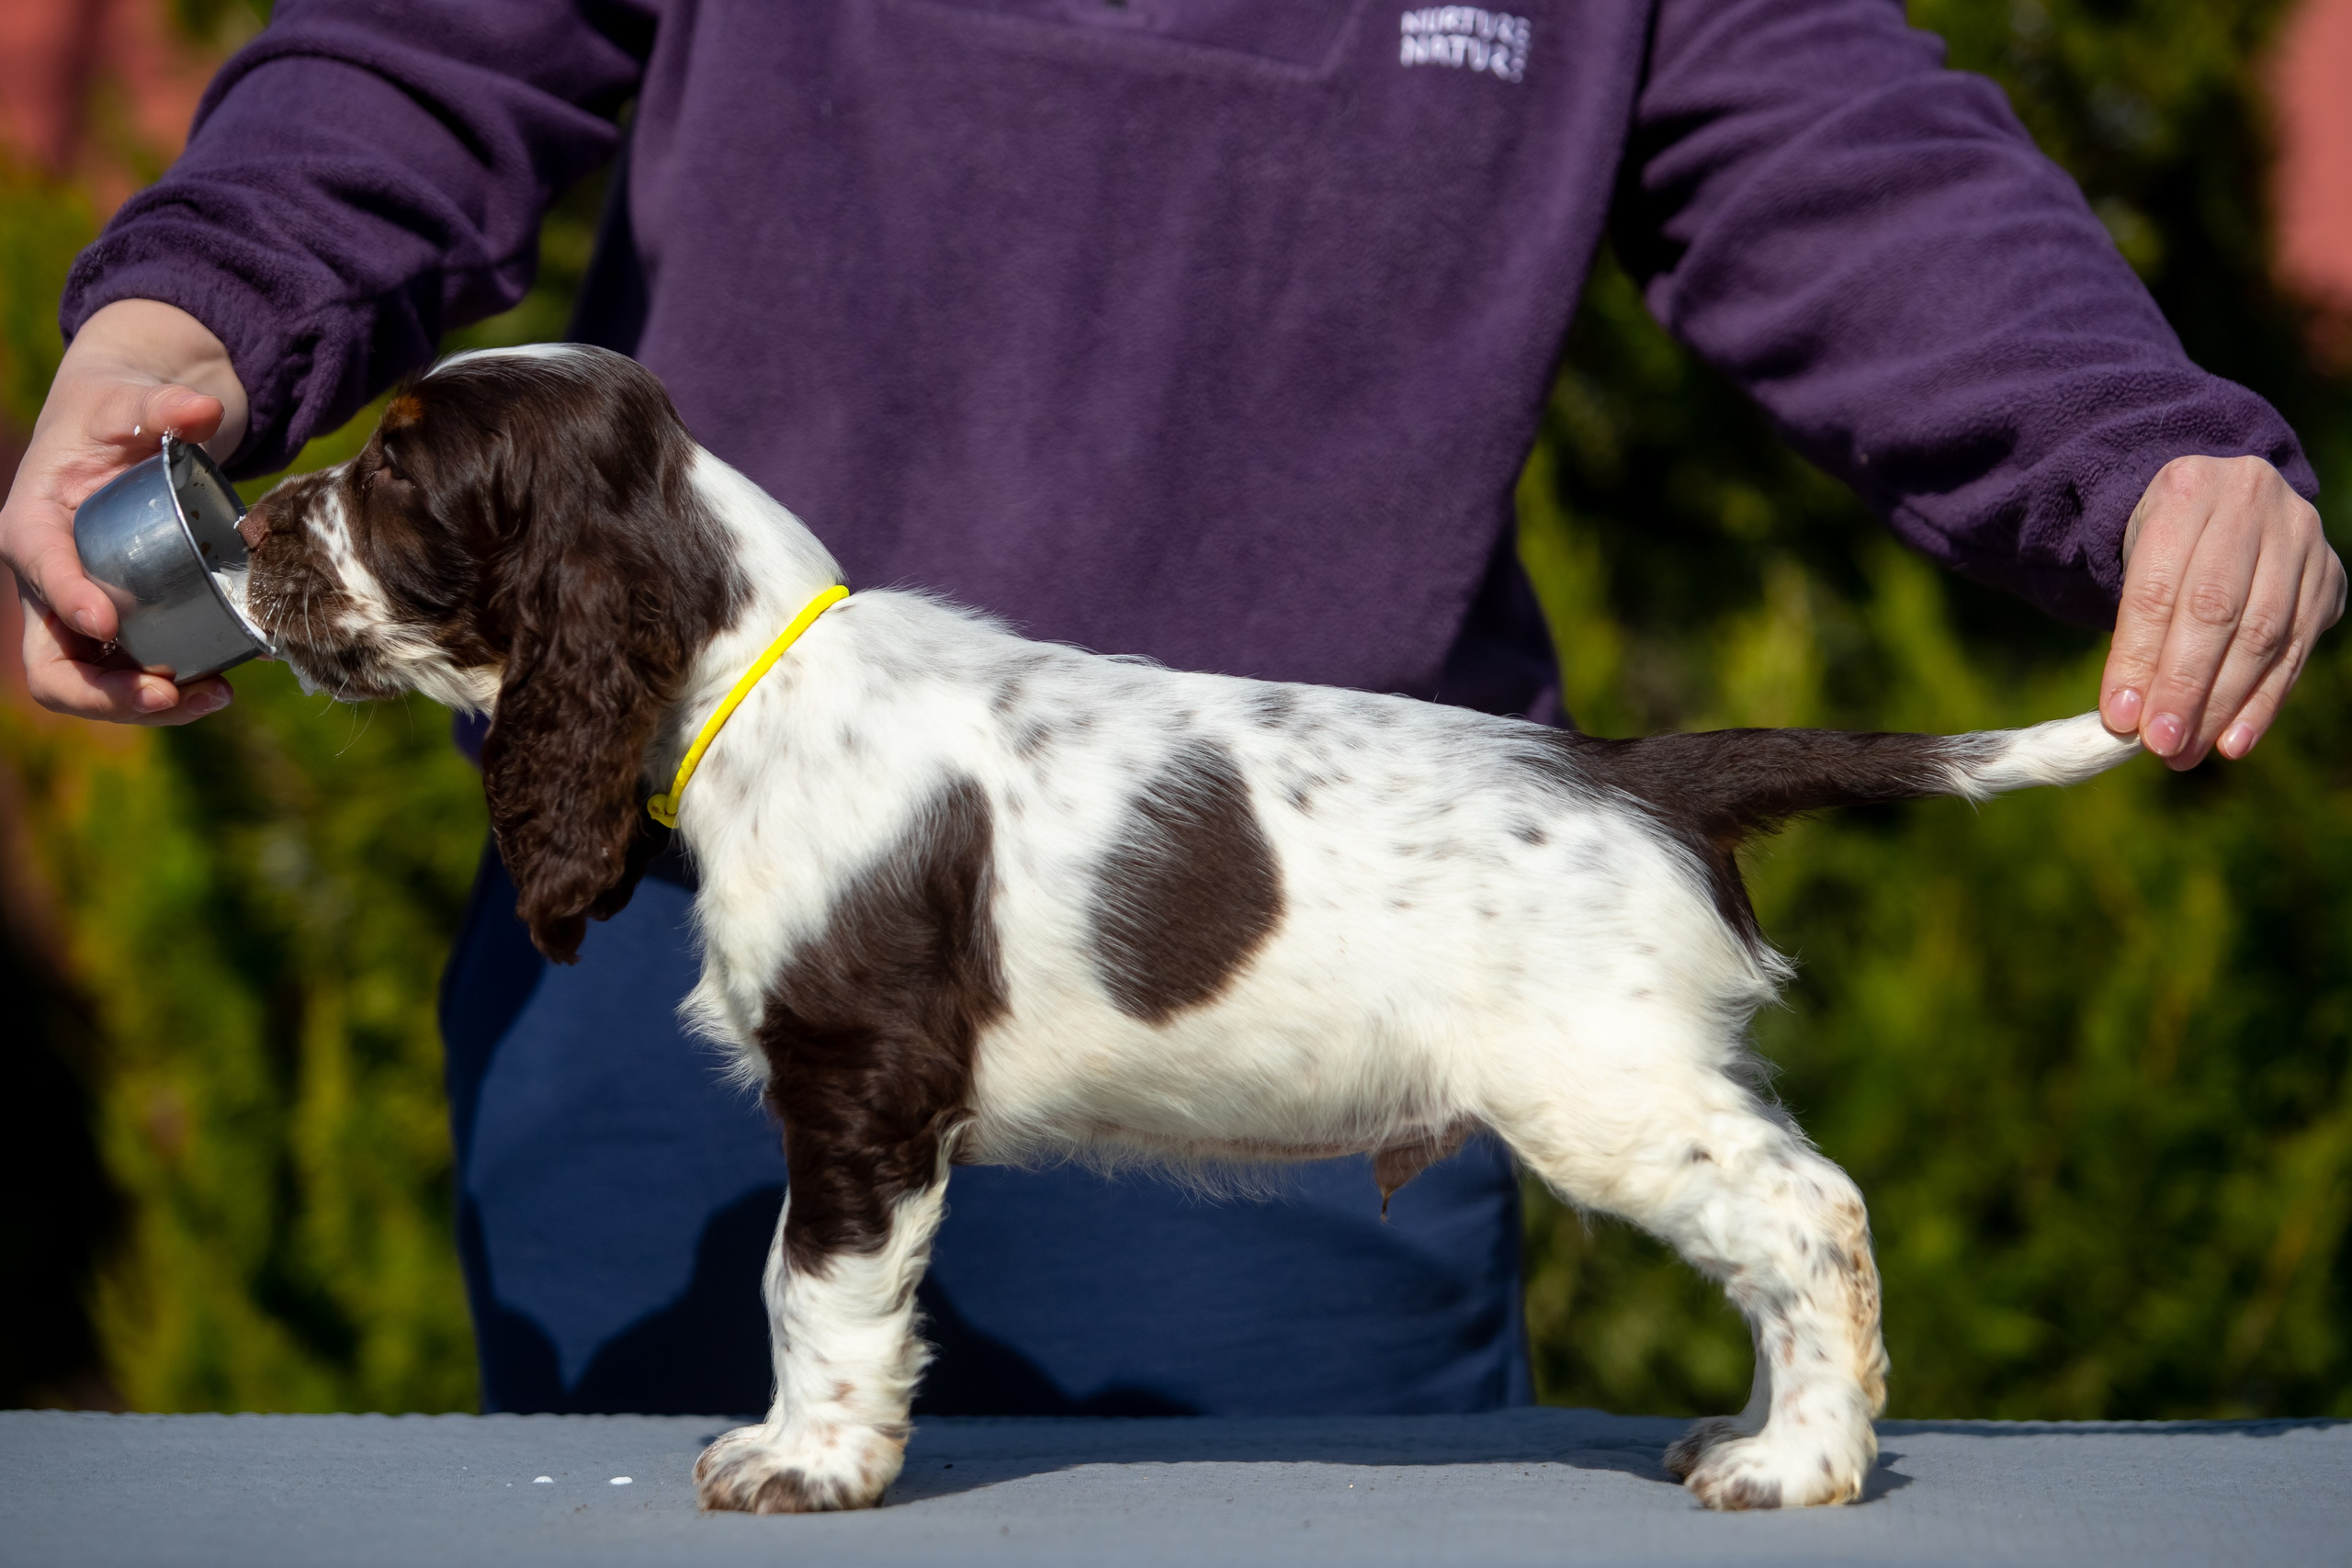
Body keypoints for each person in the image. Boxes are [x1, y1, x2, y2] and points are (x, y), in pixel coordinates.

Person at [6, 0, 2341, 1417]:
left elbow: (1849, 166)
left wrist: (2136, 453)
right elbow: (421, 55)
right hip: (676, 949)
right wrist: (194, 311)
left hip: (1300, 998)